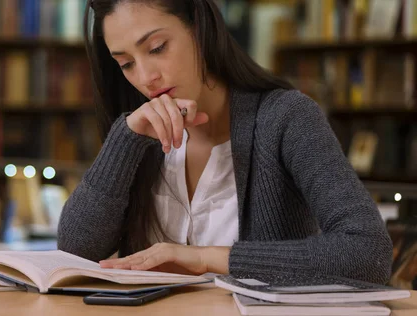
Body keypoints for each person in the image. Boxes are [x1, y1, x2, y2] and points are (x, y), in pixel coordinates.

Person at [57, 0, 393, 285]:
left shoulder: (286, 118)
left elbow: (367, 253)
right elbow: (75, 250)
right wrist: (124, 139)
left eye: (157, 48)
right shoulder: (139, 132)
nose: (146, 77)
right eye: (126, 64)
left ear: (200, 29)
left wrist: (205, 258)